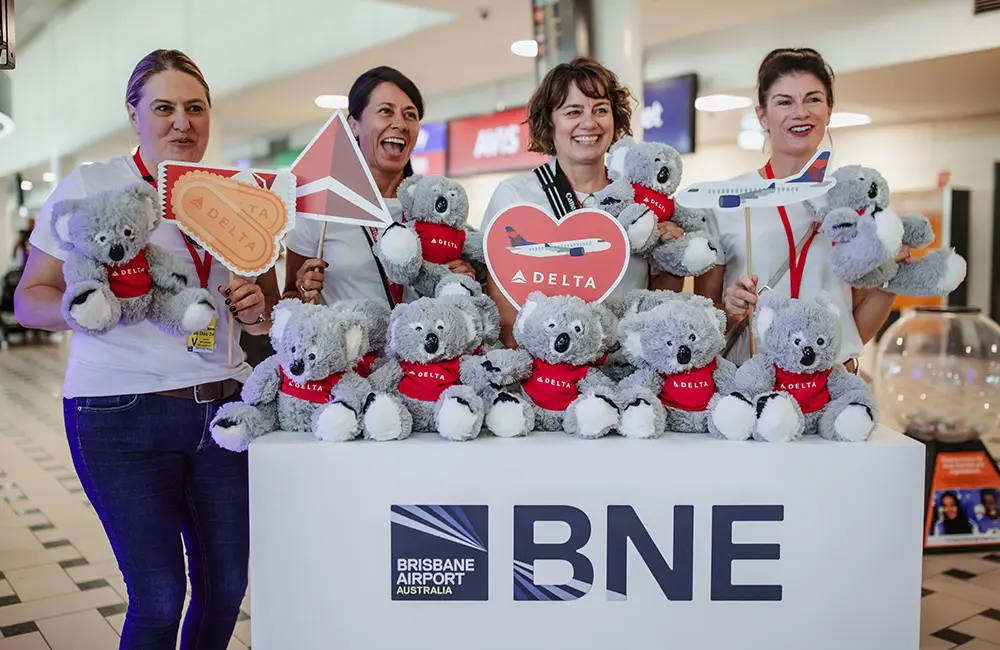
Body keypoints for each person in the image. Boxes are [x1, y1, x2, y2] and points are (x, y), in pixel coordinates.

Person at [13, 49, 279, 650]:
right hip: (120, 415)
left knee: (226, 588)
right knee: (159, 596)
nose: (182, 122)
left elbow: (265, 301)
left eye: (195, 108)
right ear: (133, 114)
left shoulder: (232, 192)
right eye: (164, 108)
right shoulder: (93, 185)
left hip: (223, 412)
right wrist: (86, 309)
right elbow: (31, 297)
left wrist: (257, 306)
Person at [694, 48, 909, 370]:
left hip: (831, 384)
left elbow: (855, 325)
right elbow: (706, 314)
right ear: (762, 115)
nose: (801, 112)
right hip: (752, 381)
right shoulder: (726, 200)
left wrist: (892, 279)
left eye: (813, 99)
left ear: (829, 110)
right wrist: (732, 307)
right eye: (784, 102)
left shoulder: (856, 201)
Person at [480, 57, 685, 349]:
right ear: (549, 122)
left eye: (601, 109)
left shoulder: (641, 200)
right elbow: (503, 304)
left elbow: (659, 301)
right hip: (545, 371)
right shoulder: (516, 196)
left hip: (624, 368)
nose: (589, 122)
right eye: (573, 111)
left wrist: (670, 258)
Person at [282, 66, 475, 308]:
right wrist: (303, 292)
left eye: (410, 115)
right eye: (386, 111)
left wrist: (465, 276)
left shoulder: (436, 209)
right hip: (348, 343)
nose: (400, 124)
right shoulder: (321, 206)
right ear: (354, 124)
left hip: (418, 342)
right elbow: (290, 295)